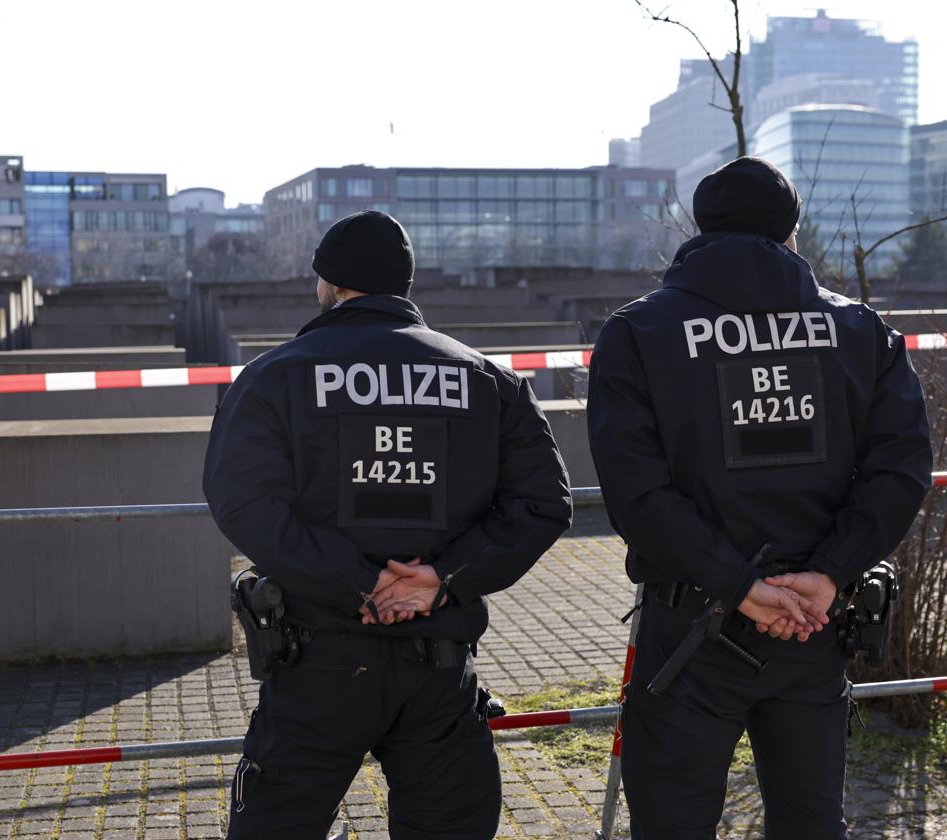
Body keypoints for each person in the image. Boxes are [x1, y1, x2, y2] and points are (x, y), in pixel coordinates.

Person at [587, 156, 933, 840]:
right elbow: (902, 468)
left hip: (690, 634)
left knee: (673, 825)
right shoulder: (860, 331)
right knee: (811, 824)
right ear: (791, 234)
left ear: (700, 228)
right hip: (813, 627)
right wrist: (829, 574)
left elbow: (637, 494)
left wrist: (740, 585)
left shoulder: (640, 333)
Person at [204, 209, 572, 840]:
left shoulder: (276, 375)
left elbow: (241, 501)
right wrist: (439, 580)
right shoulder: (491, 382)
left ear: (329, 284)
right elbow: (543, 504)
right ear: (404, 284)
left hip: (318, 665)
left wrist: (360, 583)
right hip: (439, 671)